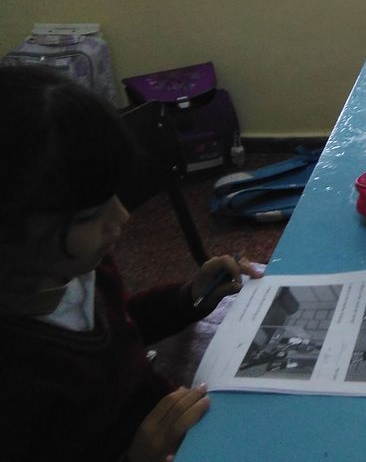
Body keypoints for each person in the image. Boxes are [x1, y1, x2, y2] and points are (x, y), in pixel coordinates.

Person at [0, 65, 263, 462]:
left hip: (161, 419)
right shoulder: (15, 370)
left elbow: (122, 329)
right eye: (90, 214)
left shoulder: (82, 266)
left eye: (115, 195)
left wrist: (188, 297)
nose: (123, 217)